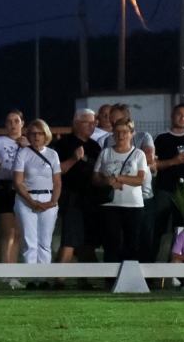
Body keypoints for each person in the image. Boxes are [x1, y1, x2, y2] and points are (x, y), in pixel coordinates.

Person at [99, 105, 156, 264]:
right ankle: (114, 277)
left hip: (144, 195)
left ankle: (144, 276)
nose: (115, 128)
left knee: (143, 238)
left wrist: (119, 176)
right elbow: (106, 167)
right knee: (115, 239)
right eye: (112, 123)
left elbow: (148, 157)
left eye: (117, 121)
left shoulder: (144, 136)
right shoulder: (108, 141)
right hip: (117, 197)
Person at [51, 109, 102, 287]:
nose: (92, 126)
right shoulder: (63, 145)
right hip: (70, 197)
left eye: (93, 123)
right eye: (87, 122)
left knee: (87, 241)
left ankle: (84, 279)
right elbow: (56, 172)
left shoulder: (95, 146)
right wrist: (74, 158)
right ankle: (59, 280)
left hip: (91, 198)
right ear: (76, 123)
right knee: (70, 239)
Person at [12, 119, 62, 289]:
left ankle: (44, 278)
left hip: (48, 200)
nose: (36, 136)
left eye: (39, 133)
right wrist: (31, 201)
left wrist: (53, 201)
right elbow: (18, 182)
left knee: (44, 241)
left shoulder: (52, 154)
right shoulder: (23, 153)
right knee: (30, 240)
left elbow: (57, 182)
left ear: (45, 135)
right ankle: (32, 278)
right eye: (32, 133)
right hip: (27, 201)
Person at [0, 110, 27, 288]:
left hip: (22, 188)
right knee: (6, 231)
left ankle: (13, 274)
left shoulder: (28, 143)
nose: (13, 124)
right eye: (9, 121)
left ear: (22, 123)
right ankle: (3, 273)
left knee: (17, 233)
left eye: (16, 121)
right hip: (2, 187)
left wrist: (27, 146)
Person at [151, 104, 184, 271]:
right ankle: (152, 270)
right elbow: (153, 165)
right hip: (165, 190)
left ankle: (179, 272)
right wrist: (174, 161)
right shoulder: (161, 138)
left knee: (183, 232)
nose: (183, 118)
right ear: (172, 116)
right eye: (179, 114)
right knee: (158, 230)